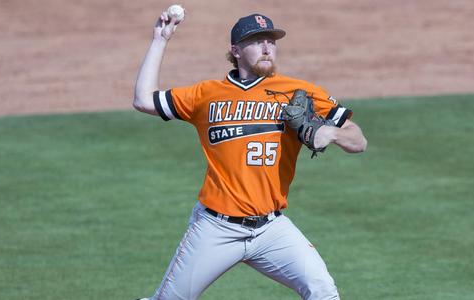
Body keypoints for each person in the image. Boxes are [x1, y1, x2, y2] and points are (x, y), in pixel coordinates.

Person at [133, 9, 367, 300]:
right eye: (257, 41)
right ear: (236, 50)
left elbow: (359, 141)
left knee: (324, 291)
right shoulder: (206, 95)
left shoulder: (299, 91)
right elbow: (143, 99)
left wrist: (331, 133)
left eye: (271, 40)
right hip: (216, 228)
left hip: (272, 229)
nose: (267, 47)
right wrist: (160, 40)